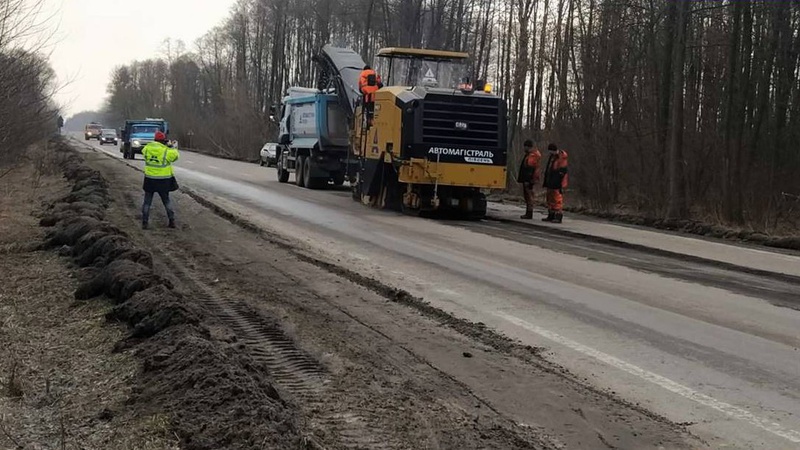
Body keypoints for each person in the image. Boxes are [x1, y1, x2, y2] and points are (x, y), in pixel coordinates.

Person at [141, 131, 180, 229]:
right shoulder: (166, 150)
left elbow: (144, 153)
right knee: (166, 201)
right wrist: (172, 146)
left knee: (147, 202)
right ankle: (172, 221)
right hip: (163, 180)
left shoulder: (147, 148)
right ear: (163, 141)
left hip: (149, 179)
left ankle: (145, 222)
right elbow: (175, 156)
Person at [542, 143, 568, 223]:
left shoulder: (561, 158)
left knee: (557, 199)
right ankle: (551, 214)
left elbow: (562, 171)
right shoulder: (553, 157)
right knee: (550, 198)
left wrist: (558, 180)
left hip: (556, 181)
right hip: (551, 180)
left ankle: (558, 216)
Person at [516, 139, 541, 219]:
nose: (524, 148)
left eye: (525, 147)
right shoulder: (531, 155)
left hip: (529, 179)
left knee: (529, 196)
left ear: (528, 147)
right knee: (528, 196)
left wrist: (528, 180)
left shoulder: (532, 156)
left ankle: (529, 213)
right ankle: (528, 212)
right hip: (529, 179)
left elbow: (529, 169)